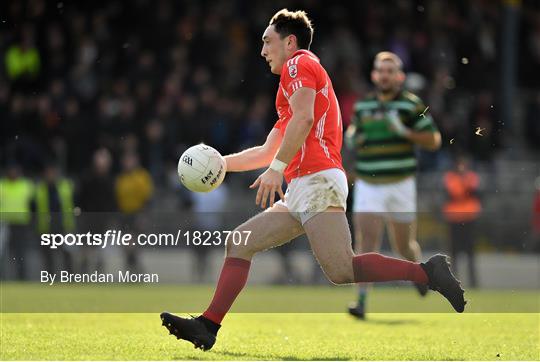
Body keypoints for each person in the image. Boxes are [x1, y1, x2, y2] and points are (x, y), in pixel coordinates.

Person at [160, 9, 465, 351]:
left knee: (341, 270)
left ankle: (428, 272)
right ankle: (208, 325)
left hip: (317, 180)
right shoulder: (293, 83)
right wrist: (219, 164)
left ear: (289, 42)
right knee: (240, 241)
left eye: (267, 41)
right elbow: (269, 148)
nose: (262, 50)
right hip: (305, 185)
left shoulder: (298, 64)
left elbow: (303, 121)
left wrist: (277, 168)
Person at [345, 51, 442, 319]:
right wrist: (354, 138)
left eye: (391, 71)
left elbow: (434, 140)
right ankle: (361, 301)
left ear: (399, 77)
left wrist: (405, 132)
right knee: (367, 243)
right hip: (369, 183)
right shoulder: (363, 107)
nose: (385, 75)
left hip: (401, 184)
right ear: (375, 75)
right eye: (381, 70)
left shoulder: (412, 105)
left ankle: (419, 275)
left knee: (404, 246)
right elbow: (353, 133)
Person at [443, 155, 481, 288]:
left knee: (470, 251)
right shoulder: (450, 177)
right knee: (454, 251)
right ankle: (454, 281)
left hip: (469, 218)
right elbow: (456, 193)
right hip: (454, 218)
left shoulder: (471, 177)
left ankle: (474, 282)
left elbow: (472, 192)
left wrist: (464, 187)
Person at [35, 162, 75, 274]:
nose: (50, 175)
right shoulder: (40, 189)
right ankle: (50, 276)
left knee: (66, 252)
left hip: (63, 225)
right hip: (46, 226)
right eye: (48, 173)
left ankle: (70, 276)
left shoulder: (65, 186)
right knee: (48, 254)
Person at [0, 163, 34, 279]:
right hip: (4, 223)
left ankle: (22, 277)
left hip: (21, 223)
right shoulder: (2, 185)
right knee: (3, 252)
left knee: (20, 251)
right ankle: (3, 277)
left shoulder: (26, 185)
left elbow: (33, 204)